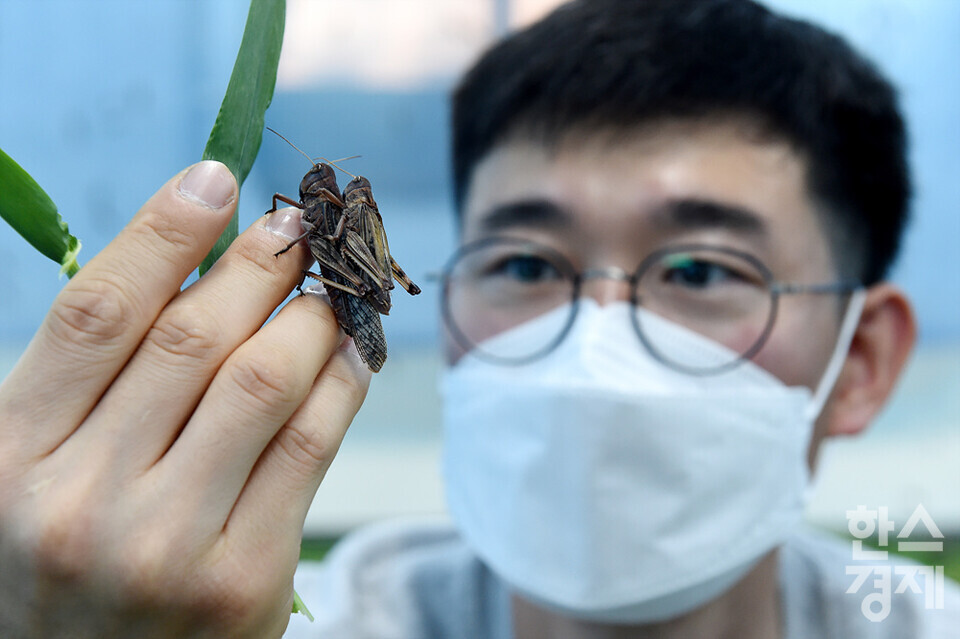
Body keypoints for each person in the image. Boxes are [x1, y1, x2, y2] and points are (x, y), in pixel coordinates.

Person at [0, 1, 956, 638]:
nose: (597, 341)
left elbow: (353, 260)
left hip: (362, 280)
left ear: (862, 361)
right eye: (528, 263)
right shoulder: (270, 621)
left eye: (700, 268)